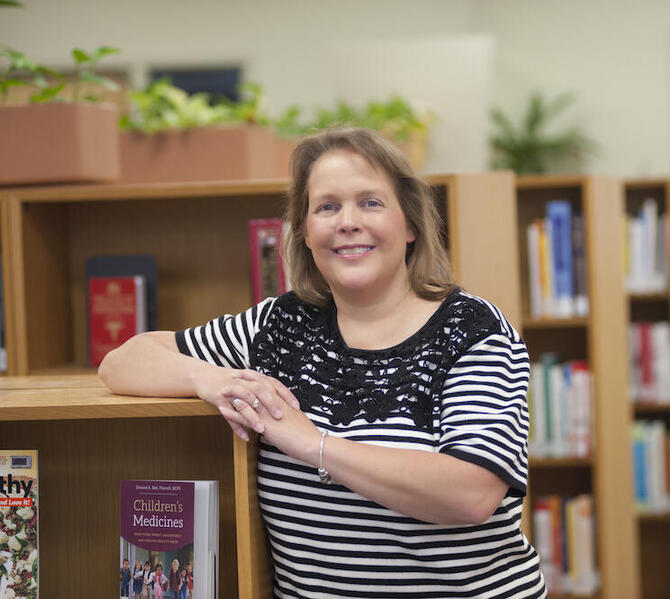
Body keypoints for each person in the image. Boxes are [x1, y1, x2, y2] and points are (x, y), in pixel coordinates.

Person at [99, 127, 547, 598]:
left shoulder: (471, 328)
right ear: (306, 233)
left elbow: (471, 493)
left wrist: (312, 443)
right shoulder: (279, 326)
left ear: (411, 225)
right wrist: (210, 378)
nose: (347, 222)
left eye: (371, 203)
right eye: (327, 207)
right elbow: (123, 360)